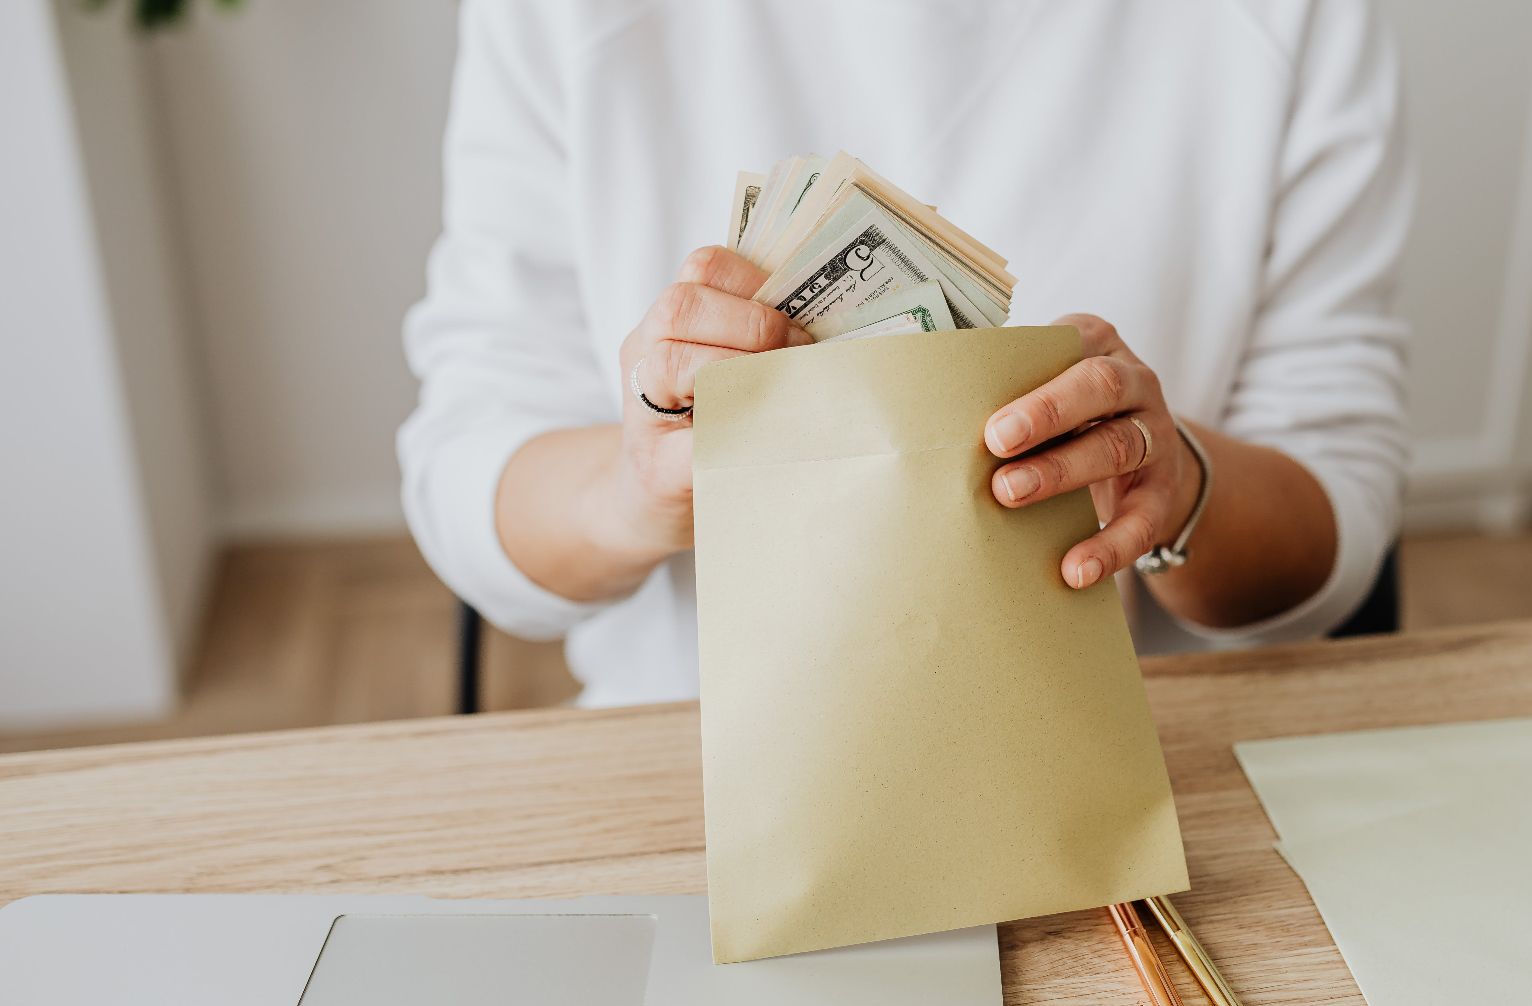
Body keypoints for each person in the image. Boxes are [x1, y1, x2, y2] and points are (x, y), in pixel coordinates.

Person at [401, 0, 1413, 708]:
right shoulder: (562, 17)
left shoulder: (1287, 18)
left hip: (1149, 762)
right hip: (696, 768)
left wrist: (1178, 489)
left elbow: (1340, 515)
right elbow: (467, 475)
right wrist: (635, 490)